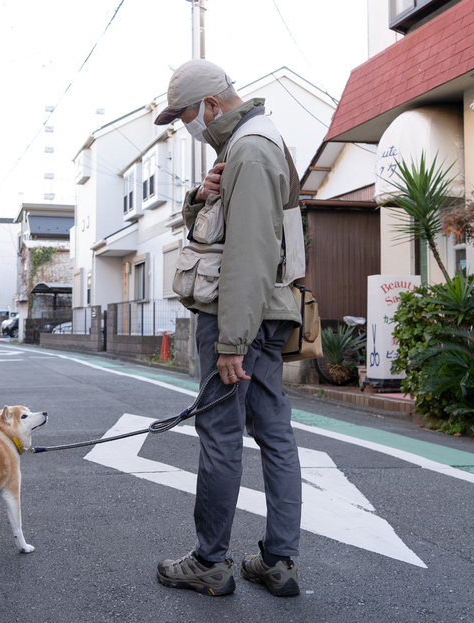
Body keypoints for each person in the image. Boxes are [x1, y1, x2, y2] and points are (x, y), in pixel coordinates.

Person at [153, 59, 303, 598]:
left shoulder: (251, 149)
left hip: (237, 316)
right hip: (264, 309)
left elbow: (250, 252)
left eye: (188, 116)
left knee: (220, 434)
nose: (187, 127)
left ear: (212, 106)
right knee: (273, 432)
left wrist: (231, 341)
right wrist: (198, 198)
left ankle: (210, 562)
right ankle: (278, 561)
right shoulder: (250, 145)